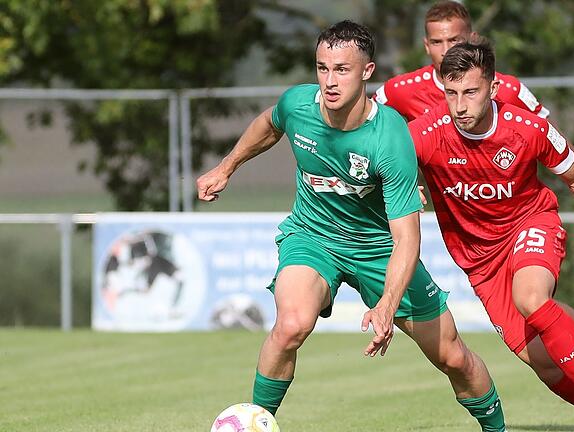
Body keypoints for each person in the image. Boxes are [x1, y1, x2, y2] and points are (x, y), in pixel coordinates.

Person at [197, 20, 508, 432]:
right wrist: (226, 167)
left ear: (366, 71)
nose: (329, 80)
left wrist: (386, 305)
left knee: (452, 356)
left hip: (379, 247)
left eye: (342, 69)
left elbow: (406, 238)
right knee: (291, 325)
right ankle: (255, 422)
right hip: (313, 237)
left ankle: (496, 429)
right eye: (322, 68)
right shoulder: (298, 105)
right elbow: (269, 125)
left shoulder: (389, 138)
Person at [375, 0, 574, 405]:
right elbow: (369, 129)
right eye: (437, 41)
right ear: (425, 45)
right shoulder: (400, 92)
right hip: (473, 242)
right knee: (539, 355)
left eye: (456, 40)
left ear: (473, 40)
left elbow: (559, 153)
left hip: (523, 221)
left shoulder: (511, 91)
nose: (447, 49)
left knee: (533, 299)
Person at [407, 40, 574, 432]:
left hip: (530, 223)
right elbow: (382, 164)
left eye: (471, 92)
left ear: (493, 88)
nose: (459, 105)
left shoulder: (527, 129)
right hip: (479, 260)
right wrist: (402, 182)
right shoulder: (427, 131)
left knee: (531, 297)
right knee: (545, 363)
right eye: (452, 92)